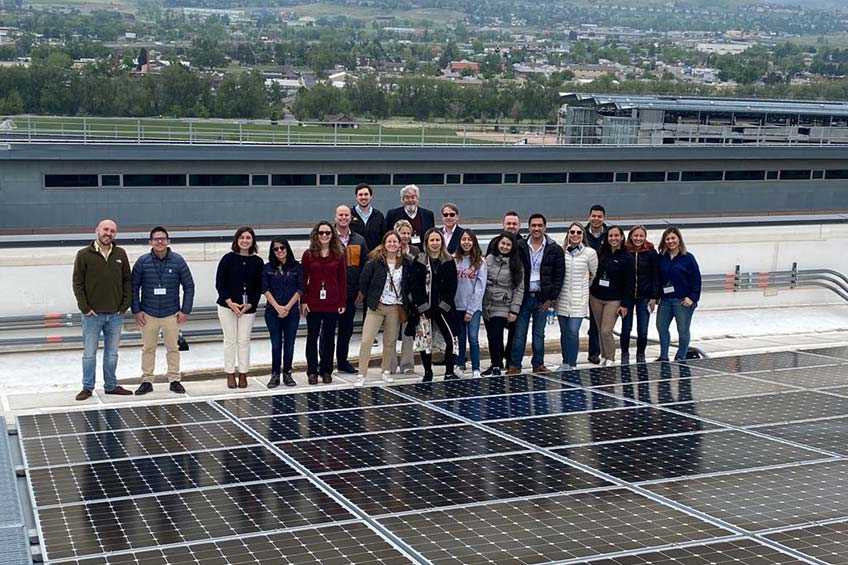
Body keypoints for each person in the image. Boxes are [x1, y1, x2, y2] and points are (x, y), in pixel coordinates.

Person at [72, 219, 133, 400]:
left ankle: (111, 385)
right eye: (105, 229)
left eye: (113, 231)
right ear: (97, 230)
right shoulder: (84, 255)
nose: (109, 233)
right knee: (89, 354)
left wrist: (124, 306)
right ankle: (87, 387)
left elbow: (127, 281)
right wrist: (84, 308)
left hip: (115, 314)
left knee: (112, 353)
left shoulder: (120, 253)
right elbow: (77, 283)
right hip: (92, 315)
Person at [131, 226, 195, 395]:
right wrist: (136, 310)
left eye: (163, 239)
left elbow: (189, 286)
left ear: (168, 241)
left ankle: (174, 380)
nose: (160, 242)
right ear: (150, 242)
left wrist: (185, 310)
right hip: (148, 314)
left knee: (173, 348)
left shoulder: (178, 261)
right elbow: (133, 287)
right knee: (148, 348)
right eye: (156, 239)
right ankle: (147, 381)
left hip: (171, 314)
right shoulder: (142, 262)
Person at [508, 213, 564, 374]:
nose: (536, 228)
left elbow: (559, 275)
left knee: (539, 335)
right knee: (519, 334)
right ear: (529, 227)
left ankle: (538, 364)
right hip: (524, 297)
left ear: (545, 228)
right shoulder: (519, 246)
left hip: (542, 299)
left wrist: (552, 298)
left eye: (540, 225)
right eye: (534, 225)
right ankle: (515, 365)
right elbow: (512, 271)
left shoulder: (554, 249)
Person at [357, 231, 410, 386]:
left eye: (395, 242)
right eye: (389, 242)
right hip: (376, 307)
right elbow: (363, 282)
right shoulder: (374, 261)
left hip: (394, 307)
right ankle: (362, 373)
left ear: (400, 244)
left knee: (390, 341)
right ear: (384, 244)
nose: (392, 244)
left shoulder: (406, 262)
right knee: (366, 340)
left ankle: (385, 370)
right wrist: (372, 298)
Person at [216, 226, 264, 389]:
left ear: (253, 241)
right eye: (242, 237)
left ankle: (243, 373)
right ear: (237, 240)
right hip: (227, 307)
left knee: (244, 341)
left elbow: (259, 287)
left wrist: (250, 303)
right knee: (230, 340)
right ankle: (230, 373)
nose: (245, 240)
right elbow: (220, 283)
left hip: (248, 308)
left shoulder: (258, 262)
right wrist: (230, 302)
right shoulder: (227, 259)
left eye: (248, 238)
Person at [408, 228, 458, 382]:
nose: (435, 243)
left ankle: (449, 372)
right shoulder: (420, 260)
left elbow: (453, 286)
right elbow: (414, 285)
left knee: (452, 340)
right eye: (432, 240)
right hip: (425, 308)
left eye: (438, 240)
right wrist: (422, 307)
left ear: (442, 242)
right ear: (427, 243)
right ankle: (428, 372)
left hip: (444, 309)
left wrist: (443, 306)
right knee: (425, 342)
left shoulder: (449, 260)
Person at [301, 221, 347, 384]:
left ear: (332, 235)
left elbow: (342, 279)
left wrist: (342, 302)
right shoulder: (308, 254)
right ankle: (312, 371)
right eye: (321, 233)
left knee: (329, 338)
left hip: (332, 302)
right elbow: (303, 278)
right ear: (316, 234)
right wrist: (304, 300)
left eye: (328, 233)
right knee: (312, 337)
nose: (325, 236)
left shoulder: (339, 254)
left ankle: (326, 370)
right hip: (313, 302)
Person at [589, 226, 634, 366]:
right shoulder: (601, 253)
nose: (613, 238)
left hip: (613, 300)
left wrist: (625, 304)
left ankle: (611, 357)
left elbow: (629, 283)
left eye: (616, 236)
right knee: (599, 329)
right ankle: (604, 355)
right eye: (610, 236)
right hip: (596, 297)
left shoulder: (627, 257)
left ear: (621, 237)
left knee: (606, 330)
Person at [556, 222, 598, 370]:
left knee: (573, 331)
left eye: (578, 232)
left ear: (583, 235)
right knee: (564, 332)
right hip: (562, 300)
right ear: (568, 234)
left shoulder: (590, 253)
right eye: (572, 232)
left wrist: (582, 288)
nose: (575, 235)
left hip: (579, 300)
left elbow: (593, 275)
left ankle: (572, 364)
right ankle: (565, 362)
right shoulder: (560, 252)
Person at [656, 227, 702, 362]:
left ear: (679, 239)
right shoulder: (661, 258)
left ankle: (681, 356)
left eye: (673, 238)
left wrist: (693, 298)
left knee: (683, 329)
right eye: (668, 239)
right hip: (665, 300)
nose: (671, 241)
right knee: (661, 327)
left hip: (682, 300)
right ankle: (663, 357)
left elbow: (696, 279)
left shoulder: (688, 258)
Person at [262, 238, 303, 388]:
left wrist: (287, 307)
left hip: (292, 313)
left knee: (289, 344)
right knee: (276, 344)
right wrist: (278, 307)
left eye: (282, 248)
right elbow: (265, 289)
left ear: (287, 249)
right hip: (273, 313)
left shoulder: (296, 267)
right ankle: (274, 374)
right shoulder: (267, 268)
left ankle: (287, 373)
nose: (280, 251)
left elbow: (300, 289)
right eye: (276, 249)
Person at [485, 210, 523, 369]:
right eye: (509, 223)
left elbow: (520, 286)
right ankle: (497, 363)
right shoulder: (490, 255)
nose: (511, 226)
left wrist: (514, 309)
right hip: (488, 303)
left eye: (514, 224)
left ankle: (505, 362)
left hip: (505, 303)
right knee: (493, 336)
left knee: (502, 334)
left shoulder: (520, 254)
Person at [334, 205, 369, 375]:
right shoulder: (327, 238)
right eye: (340, 215)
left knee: (346, 330)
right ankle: (325, 365)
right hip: (331, 294)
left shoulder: (359, 240)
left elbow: (365, 267)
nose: (343, 218)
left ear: (351, 218)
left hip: (351, 293)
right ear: (335, 217)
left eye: (346, 215)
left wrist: (362, 291)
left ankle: (342, 362)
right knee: (327, 330)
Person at [621, 225, 660, 364]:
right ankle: (624, 355)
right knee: (626, 328)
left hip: (645, 296)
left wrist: (654, 297)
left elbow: (656, 275)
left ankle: (640, 355)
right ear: (631, 236)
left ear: (645, 237)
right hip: (628, 296)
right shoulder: (624, 250)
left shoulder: (650, 252)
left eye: (641, 236)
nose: (638, 238)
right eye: (635, 235)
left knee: (642, 329)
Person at [453, 229, 486, 378]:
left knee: (473, 338)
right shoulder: (454, 259)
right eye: (463, 239)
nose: (466, 242)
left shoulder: (480, 262)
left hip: (473, 308)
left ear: (474, 242)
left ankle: (476, 368)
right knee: (460, 338)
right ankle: (459, 365)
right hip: (457, 306)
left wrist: (471, 310)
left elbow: (480, 288)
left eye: (469, 239)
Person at [390, 219, 420, 374]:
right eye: (403, 233)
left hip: (410, 298)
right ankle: (391, 365)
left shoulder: (415, 250)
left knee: (408, 333)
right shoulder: (390, 249)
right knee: (391, 333)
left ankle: (407, 365)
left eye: (409, 233)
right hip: (393, 298)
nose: (406, 236)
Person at [584, 204, 609, 365]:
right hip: (583, 282)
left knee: (597, 321)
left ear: (603, 218)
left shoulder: (609, 235)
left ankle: (595, 352)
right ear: (589, 217)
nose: (596, 219)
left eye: (599, 216)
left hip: (602, 284)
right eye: (594, 216)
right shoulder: (582, 234)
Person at [350, 183, 385, 251]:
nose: (363, 197)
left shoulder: (379, 216)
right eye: (360, 195)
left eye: (366, 194)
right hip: (355, 256)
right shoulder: (349, 215)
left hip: (374, 257)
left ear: (371, 196)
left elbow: (383, 238)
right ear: (356, 197)